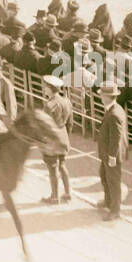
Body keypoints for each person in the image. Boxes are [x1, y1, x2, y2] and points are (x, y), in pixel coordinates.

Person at [40, 74, 72, 204]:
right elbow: (70, 122)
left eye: (46, 87)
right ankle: (68, 193)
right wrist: (66, 135)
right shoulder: (66, 101)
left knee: (52, 168)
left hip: (52, 139)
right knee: (62, 165)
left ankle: (54, 196)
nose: (44, 89)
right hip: (63, 135)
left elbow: (44, 125)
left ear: (50, 89)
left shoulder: (49, 105)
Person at [97, 80, 126, 220]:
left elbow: (116, 137)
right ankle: (108, 201)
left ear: (107, 96)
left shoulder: (114, 113)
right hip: (107, 152)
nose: (100, 97)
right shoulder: (114, 109)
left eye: (102, 95)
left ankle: (115, 210)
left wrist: (112, 156)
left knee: (113, 182)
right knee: (104, 176)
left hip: (112, 154)